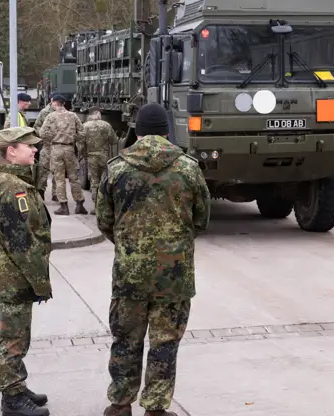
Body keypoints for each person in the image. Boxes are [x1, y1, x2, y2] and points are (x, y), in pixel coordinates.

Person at [96, 103, 211, 416]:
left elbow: (104, 221)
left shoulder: (117, 168)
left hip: (129, 274)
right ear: (166, 131)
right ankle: (156, 408)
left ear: (138, 130)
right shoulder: (188, 167)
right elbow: (201, 220)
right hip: (174, 275)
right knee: (164, 343)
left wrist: (130, 245)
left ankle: (120, 405)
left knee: (125, 340)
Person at [0, 126, 53, 416]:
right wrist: (41, 283)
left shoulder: (13, 181)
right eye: (29, 147)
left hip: (10, 275)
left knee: (16, 334)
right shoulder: (13, 187)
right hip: (13, 276)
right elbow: (22, 242)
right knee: (12, 338)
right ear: (12, 151)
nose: (35, 150)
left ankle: (17, 386)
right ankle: (12, 399)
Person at [40, 95, 87, 215]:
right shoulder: (73, 115)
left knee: (59, 177)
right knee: (74, 177)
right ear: (64, 103)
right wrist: (72, 138)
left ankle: (64, 206)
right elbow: (82, 133)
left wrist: (54, 138)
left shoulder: (51, 116)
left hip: (56, 148)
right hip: (70, 148)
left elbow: (42, 133)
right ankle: (79, 204)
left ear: (54, 103)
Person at [78, 106, 118, 214]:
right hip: (104, 156)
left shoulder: (85, 126)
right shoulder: (106, 125)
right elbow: (114, 141)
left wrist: (82, 156)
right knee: (104, 181)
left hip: (91, 158)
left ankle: (96, 208)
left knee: (94, 182)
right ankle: (106, 207)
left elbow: (80, 145)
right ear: (99, 114)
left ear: (90, 115)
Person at [33, 96, 59, 202]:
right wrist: (44, 135)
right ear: (51, 101)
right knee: (43, 171)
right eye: (56, 103)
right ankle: (41, 191)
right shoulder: (44, 112)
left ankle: (56, 194)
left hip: (58, 146)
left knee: (57, 172)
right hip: (47, 145)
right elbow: (36, 126)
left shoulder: (63, 113)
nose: (57, 106)